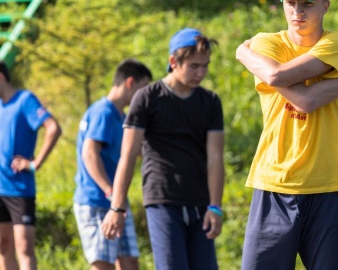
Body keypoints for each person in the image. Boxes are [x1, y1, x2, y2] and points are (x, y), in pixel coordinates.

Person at [235, 0, 338, 270]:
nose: (298, 11)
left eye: (308, 3)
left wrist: (247, 56)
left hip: (329, 183)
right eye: (291, 2)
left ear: (326, 4)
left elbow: (289, 86)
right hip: (274, 183)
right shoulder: (266, 43)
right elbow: (293, 90)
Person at [101, 28, 225, 270]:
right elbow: (127, 155)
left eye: (205, 66)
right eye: (194, 66)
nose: (201, 73)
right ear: (173, 62)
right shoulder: (147, 98)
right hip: (162, 201)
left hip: (201, 203)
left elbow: (215, 157)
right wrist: (117, 207)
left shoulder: (210, 102)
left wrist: (215, 206)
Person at [73, 59, 153, 270]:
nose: (145, 96)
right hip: (97, 201)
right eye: (143, 88)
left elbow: (136, 151)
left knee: (129, 262)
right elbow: (89, 154)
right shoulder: (104, 112)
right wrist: (110, 192)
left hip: (117, 202)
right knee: (103, 264)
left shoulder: (121, 116)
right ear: (130, 83)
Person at [0, 60, 62, 270]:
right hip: (0, 187)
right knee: (3, 247)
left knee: (24, 248)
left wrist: (35, 163)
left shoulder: (25, 100)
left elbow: (53, 128)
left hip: (19, 189)